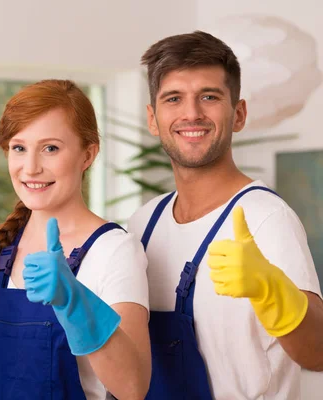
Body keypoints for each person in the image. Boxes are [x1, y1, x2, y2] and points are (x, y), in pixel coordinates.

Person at [127, 30, 323, 399]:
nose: (192, 113)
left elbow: (317, 353)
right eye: (174, 98)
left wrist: (272, 290)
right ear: (153, 119)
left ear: (239, 113)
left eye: (209, 96)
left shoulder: (267, 218)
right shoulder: (143, 223)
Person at [0, 79, 151, 400]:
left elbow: (133, 387)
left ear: (88, 155)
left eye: (51, 148)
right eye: (19, 148)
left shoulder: (114, 250)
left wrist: (75, 302)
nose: (30, 167)